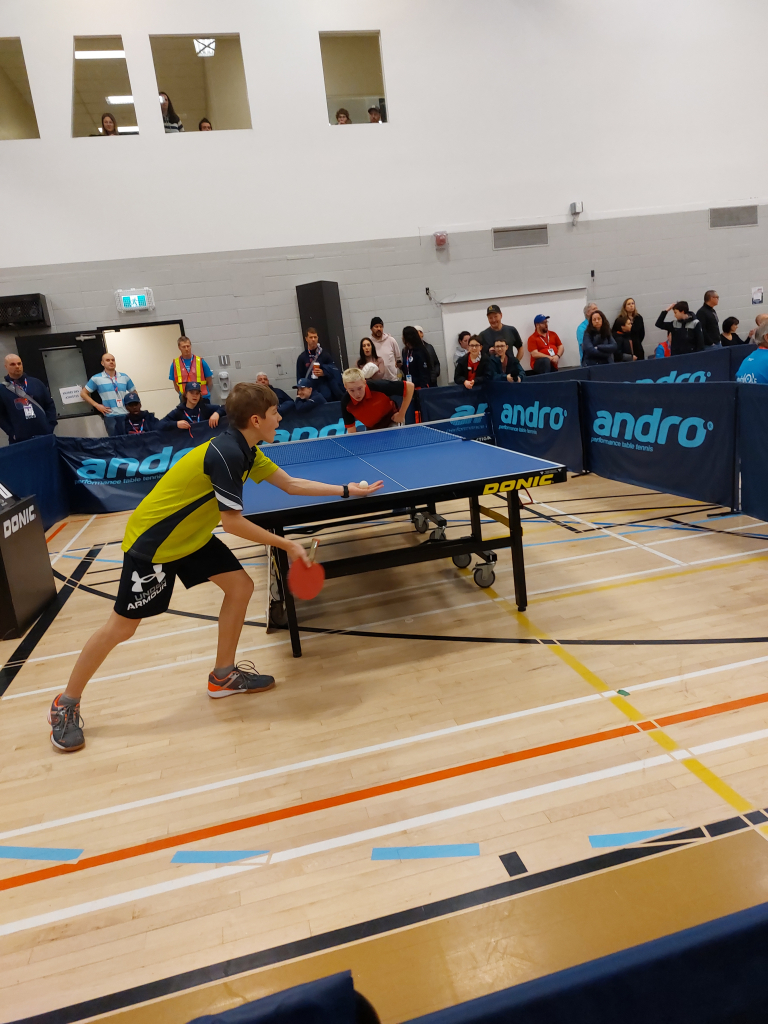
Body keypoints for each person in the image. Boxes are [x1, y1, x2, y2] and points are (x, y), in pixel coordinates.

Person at [47, 383, 384, 752]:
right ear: (256, 419)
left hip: (189, 537)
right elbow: (233, 523)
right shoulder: (226, 454)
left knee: (240, 587)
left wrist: (347, 490)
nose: (280, 416)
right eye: (274, 413)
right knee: (121, 628)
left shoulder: (247, 448)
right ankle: (65, 703)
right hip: (155, 543)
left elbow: (288, 484)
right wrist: (286, 543)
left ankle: (222, 676)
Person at [0, 353, 57, 444]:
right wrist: (12, 433)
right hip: (19, 439)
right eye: (13, 364)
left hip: (44, 434)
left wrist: (50, 426)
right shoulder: (2, 390)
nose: (17, 366)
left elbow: (49, 405)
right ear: (6, 366)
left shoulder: (36, 383)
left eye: (19, 363)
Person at [341, 367, 414, 433]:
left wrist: (401, 414)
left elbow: (410, 387)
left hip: (391, 421)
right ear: (345, 387)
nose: (357, 394)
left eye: (360, 388)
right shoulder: (346, 403)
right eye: (351, 390)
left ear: (364, 382)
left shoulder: (377, 386)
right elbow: (351, 430)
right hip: (372, 429)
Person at [81, 352, 137, 436]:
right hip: (110, 416)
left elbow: (134, 393)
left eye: (113, 360)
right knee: (114, 442)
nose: (111, 362)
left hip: (126, 414)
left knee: (130, 440)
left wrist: (134, 408)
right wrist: (97, 405)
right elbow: (83, 393)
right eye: (108, 360)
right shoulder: (96, 378)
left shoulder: (124, 377)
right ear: (102, 363)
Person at [295, 327, 343, 401]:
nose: (313, 339)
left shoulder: (325, 355)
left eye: (315, 337)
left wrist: (324, 372)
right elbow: (299, 377)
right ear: (306, 339)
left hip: (325, 391)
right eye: (311, 337)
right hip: (310, 392)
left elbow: (335, 370)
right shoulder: (302, 358)